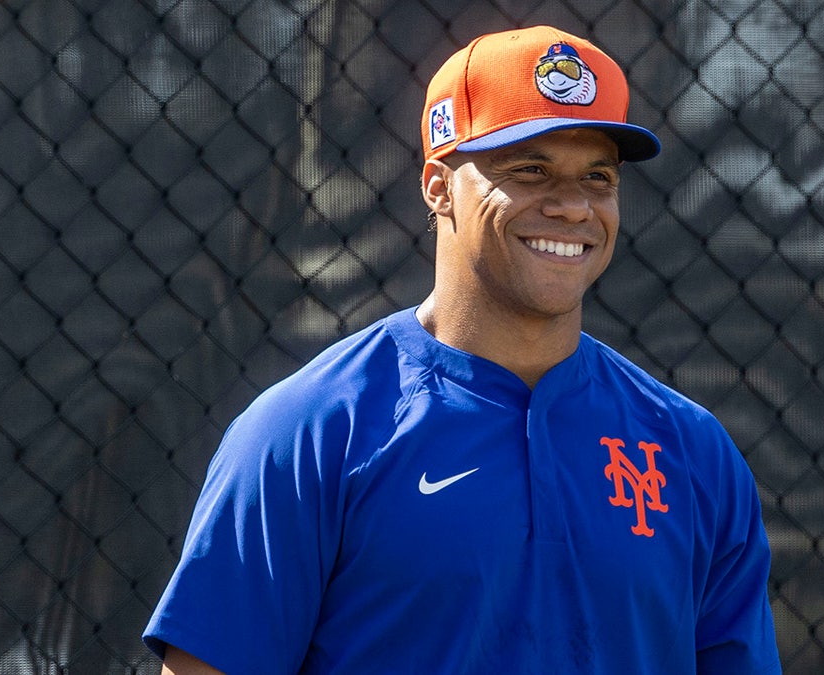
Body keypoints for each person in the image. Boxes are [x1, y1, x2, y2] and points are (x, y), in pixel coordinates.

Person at [144, 25, 781, 674]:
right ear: (438, 186)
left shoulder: (694, 451)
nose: (571, 206)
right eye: (530, 169)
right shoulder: (305, 432)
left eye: (598, 176)